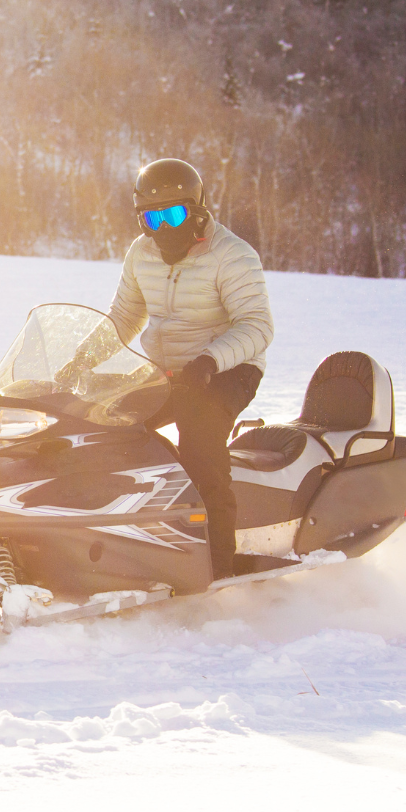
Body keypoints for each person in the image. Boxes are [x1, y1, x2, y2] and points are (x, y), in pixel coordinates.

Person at [108, 158, 273, 582]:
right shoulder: (140, 253)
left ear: (197, 209)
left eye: (174, 214)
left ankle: (215, 568)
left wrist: (209, 361)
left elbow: (257, 325)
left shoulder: (232, 255)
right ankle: (120, 538)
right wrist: (81, 359)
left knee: (199, 445)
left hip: (225, 368)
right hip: (166, 370)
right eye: (152, 217)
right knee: (106, 426)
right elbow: (124, 317)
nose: (164, 227)